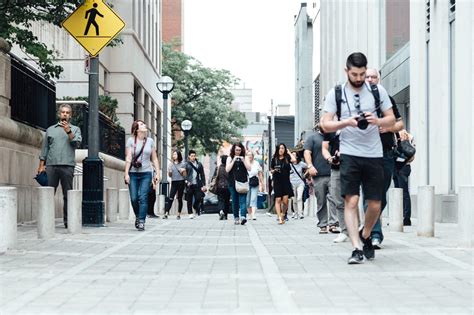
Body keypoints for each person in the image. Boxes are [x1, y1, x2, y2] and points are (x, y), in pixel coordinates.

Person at [320, 52, 395, 264]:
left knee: (375, 204)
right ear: (347, 71)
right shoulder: (336, 93)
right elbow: (325, 124)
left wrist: (377, 121)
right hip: (349, 153)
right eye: (355, 74)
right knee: (351, 200)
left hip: (374, 153)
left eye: (363, 74)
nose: (360, 78)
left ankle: (366, 234)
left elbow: (392, 120)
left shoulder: (377, 90)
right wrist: (346, 123)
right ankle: (356, 248)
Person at [364, 68, 405, 248]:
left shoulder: (387, 100)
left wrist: (388, 128)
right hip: (365, 154)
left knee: (381, 195)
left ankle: (369, 225)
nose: (371, 79)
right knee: (370, 195)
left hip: (386, 153)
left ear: (378, 80)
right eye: (368, 77)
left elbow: (400, 123)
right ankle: (374, 234)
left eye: (374, 77)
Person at [38, 104, 82, 229]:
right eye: (63, 112)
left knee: (67, 195)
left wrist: (68, 131)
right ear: (59, 114)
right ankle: (45, 220)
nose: (65, 114)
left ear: (70, 115)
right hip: (51, 165)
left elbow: (76, 143)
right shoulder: (50, 129)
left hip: (67, 166)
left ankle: (68, 221)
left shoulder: (75, 129)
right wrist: (41, 165)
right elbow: (45, 148)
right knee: (48, 193)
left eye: (67, 112)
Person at [124, 120, 160, 231]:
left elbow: (154, 158)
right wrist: (126, 174)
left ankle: (141, 221)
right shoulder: (130, 141)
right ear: (136, 129)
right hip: (133, 173)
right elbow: (128, 158)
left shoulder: (150, 141)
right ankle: (138, 216)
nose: (144, 125)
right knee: (134, 198)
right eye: (141, 124)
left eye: (144, 124)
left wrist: (157, 173)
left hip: (146, 173)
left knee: (143, 197)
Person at [304, 125, 338, 234]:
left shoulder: (334, 136)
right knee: (321, 200)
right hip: (318, 174)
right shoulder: (312, 138)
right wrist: (310, 166)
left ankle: (333, 224)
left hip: (334, 173)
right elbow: (307, 152)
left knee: (334, 199)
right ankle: (323, 224)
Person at [322, 130, 347, 242]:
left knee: (353, 198)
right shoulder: (331, 128)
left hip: (353, 166)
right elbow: (324, 148)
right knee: (338, 200)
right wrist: (330, 158)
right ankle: (344, 231)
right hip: (336, 168)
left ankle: (357, 228)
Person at [225, 143, 251, 225]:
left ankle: (243, 217)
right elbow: (227, 169)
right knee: (235, 201)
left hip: (243, 182)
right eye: (236, 150)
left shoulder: (245, 157)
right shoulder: (229, 158)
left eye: (240, 150)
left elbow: (249, 168)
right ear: (233, 150)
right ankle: (236, 217)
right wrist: (233, 160)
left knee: (243, 201)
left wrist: (243, 160)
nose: (238, 152)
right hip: (232, 182)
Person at [393, 129, 415, 226]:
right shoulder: (396, 135)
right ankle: (399, 217)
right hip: (399, 167)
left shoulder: (404, 135)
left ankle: (406, 218)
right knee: (398, 193)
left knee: (403, 192)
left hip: (403, 167)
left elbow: (411, 155)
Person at [270, 143, 295, 225]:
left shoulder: (287, 158)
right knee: (278, 199)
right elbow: (271, 170)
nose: (281, 150)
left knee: (285, 202)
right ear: (277, 149)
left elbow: (294, 160)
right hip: (277, 181)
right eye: (280, 148)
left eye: (283, 148)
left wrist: (289, 152)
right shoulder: (274, 159)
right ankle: (280, 217)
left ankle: (283, 214)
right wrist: (274, 171)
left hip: (286, 181)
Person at [184, 150, 207, 219]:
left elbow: (202, 175)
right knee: (189, 199)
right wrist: (186, 181)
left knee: (198, 197)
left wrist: (204, 184)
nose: (193, 157)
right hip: (189, 184)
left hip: (197, 184)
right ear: (189, 156)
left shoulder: (199, 164)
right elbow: (184, 175)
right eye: (191, 156)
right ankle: (190, 213)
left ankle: (194, 206)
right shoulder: (186, 164)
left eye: (194, 156)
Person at [164, 150, 187, 219]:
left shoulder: (183, 164)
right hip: (174, 182)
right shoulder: (171, 164)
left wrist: (183, 171)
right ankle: (166, 213)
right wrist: (170, 171)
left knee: (179, 198)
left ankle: (178, 214)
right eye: (173, 154)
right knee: (171, 197)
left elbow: (185, 175)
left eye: (175, 154)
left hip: (181, 182)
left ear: (178, 155)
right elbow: (170, 175)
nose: (174, 155)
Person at [289, 151, 307, 219]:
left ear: (296, 156)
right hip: (292, 183)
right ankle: (295, 212)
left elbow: (308, 166)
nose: (292, 156)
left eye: (293, 155)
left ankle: (300, 213)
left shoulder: (301, 164)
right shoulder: (289, 164)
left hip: (300, 183)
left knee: (299, 198)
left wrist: (305, 175)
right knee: (294, 199)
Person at [246, 150, 263, 220]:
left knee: (253, 198)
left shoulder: (256, 163)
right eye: (248, 155)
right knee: (247, 200)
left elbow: (260, 173)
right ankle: (249, 214)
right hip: (246, 183)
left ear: (253, 156)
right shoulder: (245, 163)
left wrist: (262, 183)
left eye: (251, 155)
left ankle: (253, 214)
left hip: (255, 182)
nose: (250, 156)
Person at [215, 155, 230, 220]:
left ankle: (221, 211)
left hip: (220, 186)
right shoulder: (229, 168)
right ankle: (225, 215)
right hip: (228, 187)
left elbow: (215, 177)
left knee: (220, 200)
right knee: (227, 201)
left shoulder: (218, 168)